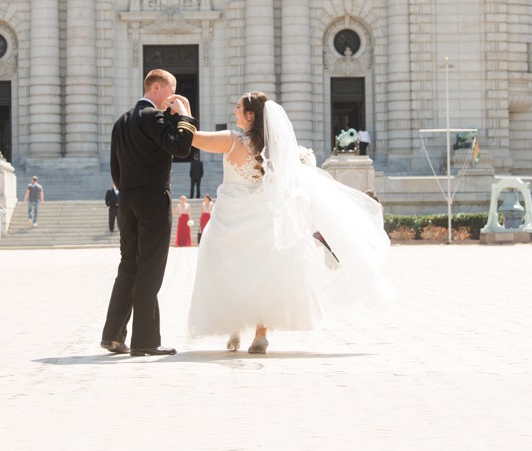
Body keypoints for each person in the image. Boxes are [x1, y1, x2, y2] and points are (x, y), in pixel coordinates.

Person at [186, 91, 392, 354]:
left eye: (238, 108)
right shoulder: (276, 149)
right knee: (262, 273)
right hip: (261, 216)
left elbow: (192, 138)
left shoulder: (231, 140)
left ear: (250, 115)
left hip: (229, 217)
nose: (234, 111)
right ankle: (261, 332)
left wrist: (185, 107)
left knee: (226, 268)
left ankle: (234, 328)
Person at [101, 69, 197, 357]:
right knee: (150, 269)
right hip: (153, 199)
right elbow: (181, 148)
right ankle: (145, 341)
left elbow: (115, 170)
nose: (174, 96)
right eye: (172, 90)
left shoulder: (121, 122)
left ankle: (113, 335)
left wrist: (128, 190)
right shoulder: (153, 117)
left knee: (128, 265)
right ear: (157, 88)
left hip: (127, 201)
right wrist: (186, 117)